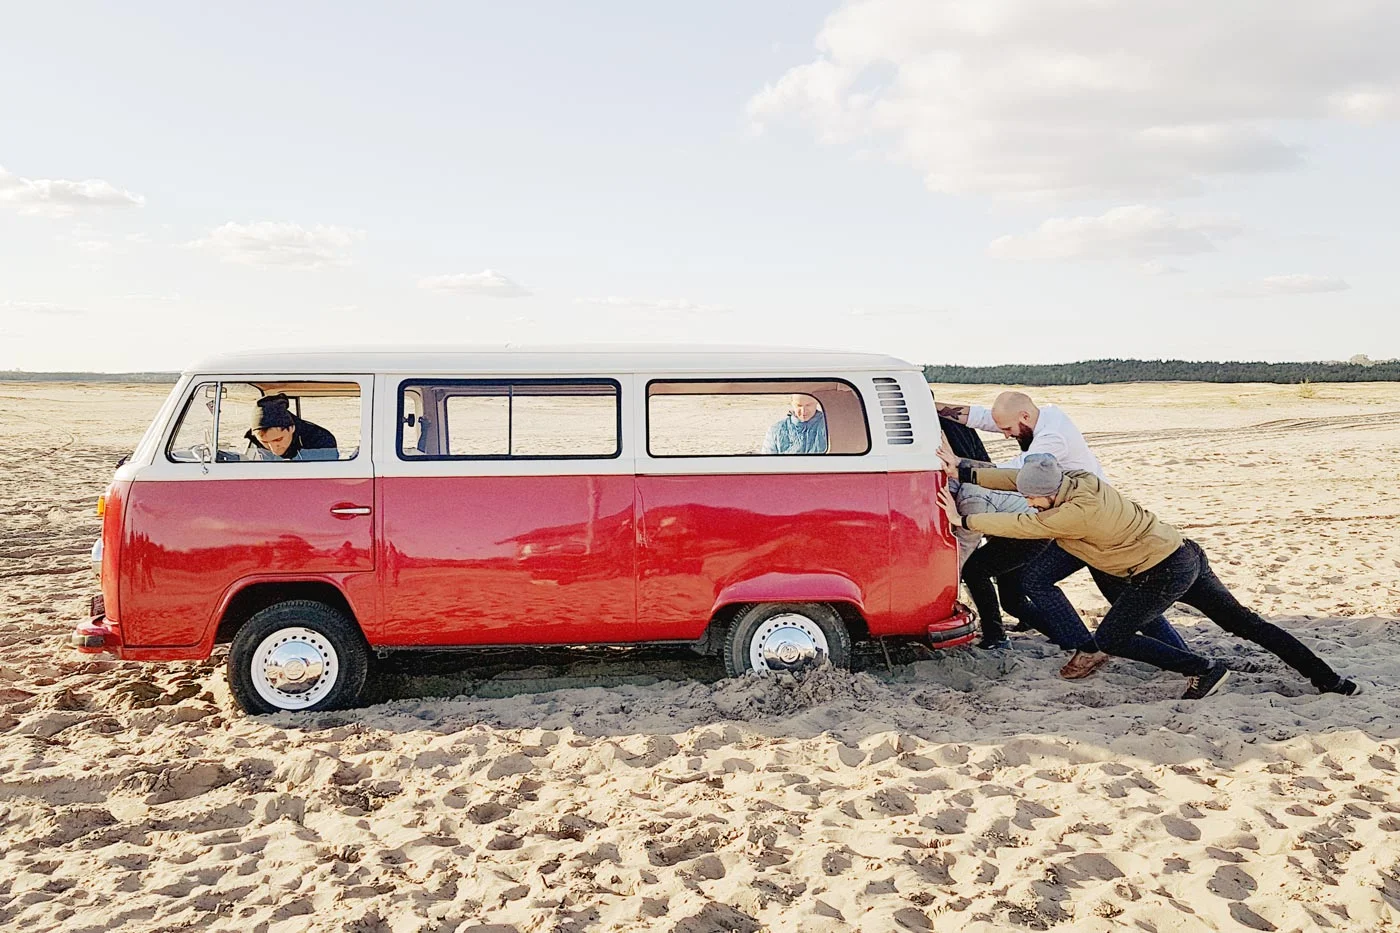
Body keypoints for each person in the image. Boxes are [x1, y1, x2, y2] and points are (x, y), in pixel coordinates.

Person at [938, 453, 1361, 700]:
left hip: (1161, 572)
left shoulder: (1073, 513)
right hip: (1184, 552)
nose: (1029, 501)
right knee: (1247, 624)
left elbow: (1021, 525)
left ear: (1050, 493)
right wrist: (963, 470)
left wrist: (965, 519)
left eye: (1033, 498)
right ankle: (1331, 681)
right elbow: (1017, 479)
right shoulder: (1077, 480)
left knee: (1113, 639)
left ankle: (1204, 669)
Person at [938, 391, 1183, 678]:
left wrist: (961, 466)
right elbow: (982, 416)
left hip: (1093, 526)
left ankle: (1171, 656)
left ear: (1024, 416)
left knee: (1123, 602)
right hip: (1076, 521)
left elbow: (1016, 475)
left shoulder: (1050, 439)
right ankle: (1086, 646)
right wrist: (928, 404)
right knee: (1037, 583)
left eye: (1008, 429)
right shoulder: (1040, 418)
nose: (1005, 435)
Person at [245, 394, 338, 461]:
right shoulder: (256, 441)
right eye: (265, 442)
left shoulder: (321, 440)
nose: (273, 449)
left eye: (278, 440)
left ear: (292, 428)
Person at [762, 394, 828, 454]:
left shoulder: (829, 427)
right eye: (799, 405)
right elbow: (768, 460)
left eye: (808, 405)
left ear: (817, 402)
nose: (803, 411)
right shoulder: (775, 430)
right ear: (792, 403)